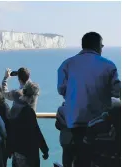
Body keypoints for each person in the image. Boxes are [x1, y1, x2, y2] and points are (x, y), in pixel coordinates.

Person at [57, 32, 121, 167]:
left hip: (73, 125)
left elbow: (62, 90)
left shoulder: (66, 64)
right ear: (98, 46)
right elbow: (117, 92)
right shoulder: (109, 66)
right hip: (100, 127)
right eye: (102, 45)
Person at [4, 66, 48, 167]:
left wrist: (6, 78)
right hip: (31, 150)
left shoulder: (14, 111)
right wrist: (44, 149)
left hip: (18, 150)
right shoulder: (30, 110)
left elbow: (11, 131)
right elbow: (36, 131)